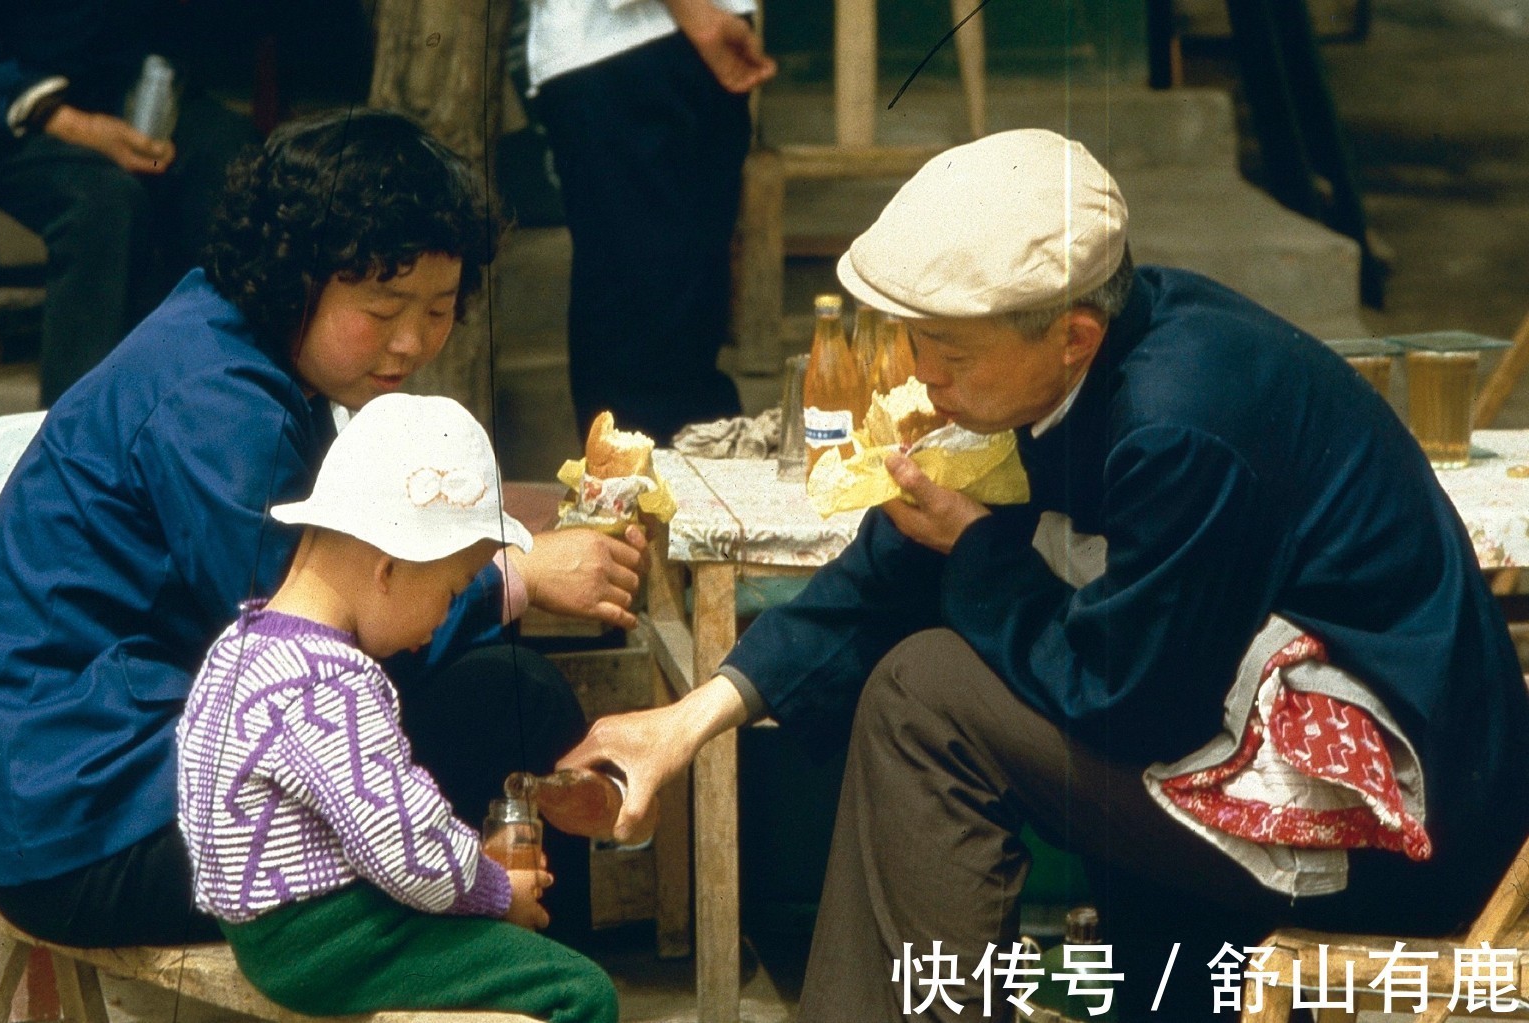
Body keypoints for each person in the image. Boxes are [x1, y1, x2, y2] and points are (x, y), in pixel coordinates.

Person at [560, 129, 1529, 1020]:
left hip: (1394, 820)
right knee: (946, 641)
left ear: (1070, 335)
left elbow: (1123, 696)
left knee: (926, 695)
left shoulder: (1180, 416)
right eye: (914, 348)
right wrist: (685, 726)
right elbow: (894, 563)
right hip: (1246, 730)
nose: (923, 381)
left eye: (949, 358)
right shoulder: (1068, 368)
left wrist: (979, 550)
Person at [0, 108, 647, 948]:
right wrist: (514, 574)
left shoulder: (223, 333)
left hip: (66, 784)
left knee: (491, 691)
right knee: (507, 703)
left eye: (439, 308)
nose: (413, 341)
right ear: (293, 275)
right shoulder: (222, 406)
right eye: (382, 310)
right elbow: (317, 630)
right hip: (87, 823)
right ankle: (540, 979)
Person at [177, 392, 616, 1023]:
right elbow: (402, 843)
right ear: (388, 568)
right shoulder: (329, 682)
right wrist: (497, 893)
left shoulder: (241, 646)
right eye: (450, 591)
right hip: (326, 940)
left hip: (267, 930)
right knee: (578, 992)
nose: (443, 619)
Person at [0, 0, 256, 405]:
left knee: (231, 161)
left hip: (128, 92)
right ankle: (74, 437)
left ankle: (217, 397)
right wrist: (77, 126)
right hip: (2, 113)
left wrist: (154, 105)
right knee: (104, 203)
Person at [527, 0, 777, 443]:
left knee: (682, 329)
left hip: (672, 39)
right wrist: (696, 13)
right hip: (633, 43)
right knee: (646, 345)